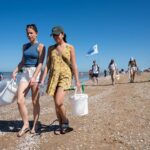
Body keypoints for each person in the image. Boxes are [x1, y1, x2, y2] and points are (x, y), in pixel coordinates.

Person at [40, 26, 80, 134]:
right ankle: (60, 123)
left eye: (57, 34)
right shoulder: (50, 48)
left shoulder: (70, 47)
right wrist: (42, 79)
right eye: (53, 35)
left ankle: (65, 121)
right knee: (55, 104)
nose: (55, 37)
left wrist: (77, 81)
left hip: (65, 76)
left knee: (59, 101)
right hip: (53, 77)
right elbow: (47, 65)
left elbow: (74, 64)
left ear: (62, 34)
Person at [12, 24, 45, 137]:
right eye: (27, 33)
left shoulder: (41, 46)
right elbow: (22, 61)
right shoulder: (24, 46)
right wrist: (15, 71)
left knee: (35, 101)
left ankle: (35, 125)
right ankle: (26, 124)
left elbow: (41, 63)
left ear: (36, 33)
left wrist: (35, 77)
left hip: (35, 72)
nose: (29, 35)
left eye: (31, 33)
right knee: (19, 100)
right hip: (25, 73)